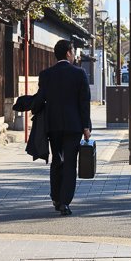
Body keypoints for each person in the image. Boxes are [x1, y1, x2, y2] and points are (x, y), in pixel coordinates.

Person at [38, 39, 91, 216]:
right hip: (74, 126)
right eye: (73, 51)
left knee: (56, 160)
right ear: (68, 53)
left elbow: (40, 99)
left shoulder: (46, 74)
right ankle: (65, 203)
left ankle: (55, 197)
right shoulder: (79, 74)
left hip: (53, 125)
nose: (75, 54)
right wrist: (86, 127)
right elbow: (84, 103)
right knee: (70, 163)